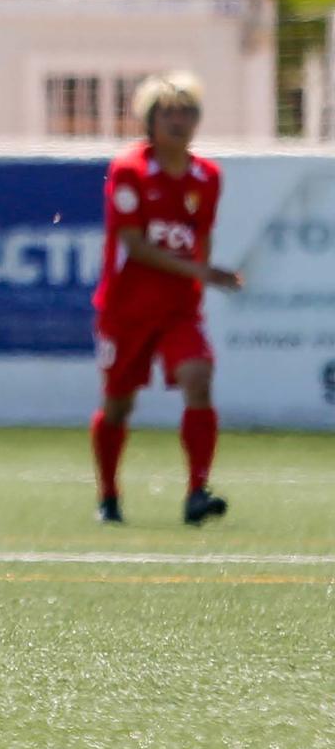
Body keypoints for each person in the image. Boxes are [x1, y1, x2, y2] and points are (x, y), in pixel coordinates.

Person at [89, 72, 240, 527]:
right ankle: (109, 495)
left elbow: (201, 236)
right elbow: (135, 245)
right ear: (149, 121)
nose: (179, 121)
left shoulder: (208, 176)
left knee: (199, 377)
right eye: (169, 112)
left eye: (188, 112)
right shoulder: (129, 170)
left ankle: (197, 491)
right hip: (127, 309)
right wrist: (202, 272)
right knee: (119, 404)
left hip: (178, 310)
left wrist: (200, 283)